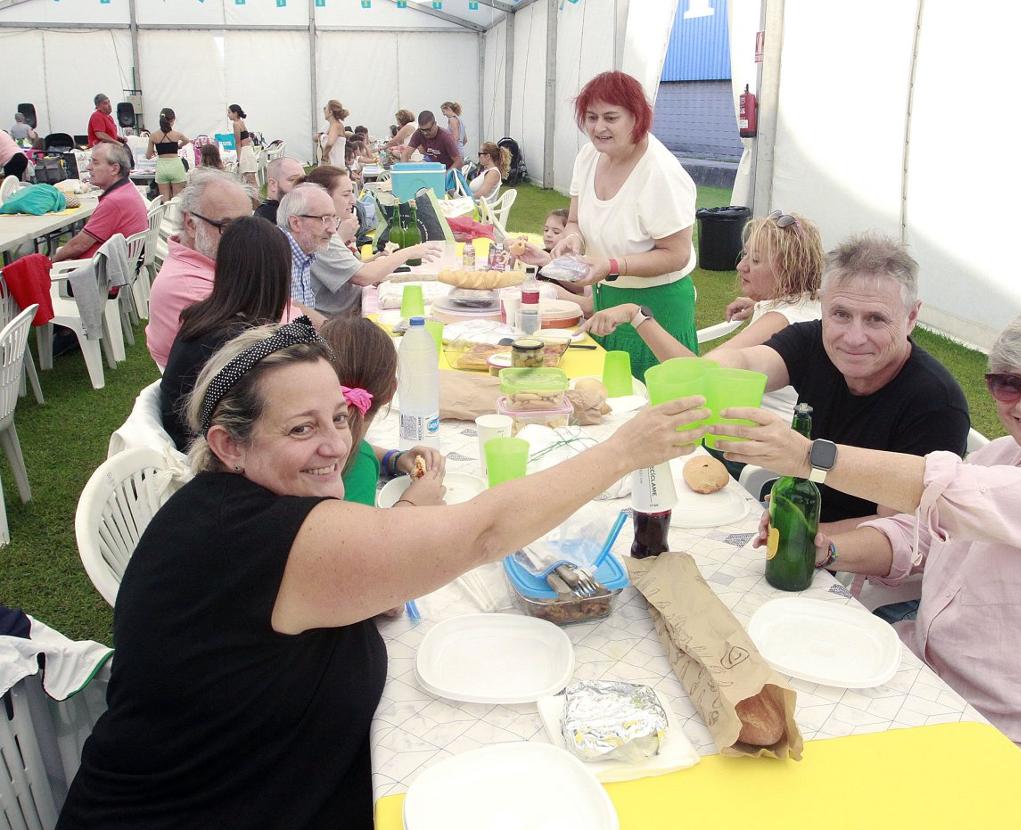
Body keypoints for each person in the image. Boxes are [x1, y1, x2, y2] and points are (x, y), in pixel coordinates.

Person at [56, 316, 708, 827]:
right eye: (302, 428)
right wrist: (622, 451)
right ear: (229, 444)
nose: (338, 445)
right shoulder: (262, 538)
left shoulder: (235, 507)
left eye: (340, 416)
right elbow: (483, 530)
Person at [735, 306, 1021, 816]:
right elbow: (920, 531)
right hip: (937, 690)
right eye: (1008, 384)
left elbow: (957, 496)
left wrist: (813, 456)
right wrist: (829, 548)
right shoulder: (1006, 456)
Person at [700, 232, 970, 529]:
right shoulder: (814, 341)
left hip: (851, 556)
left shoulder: (936, 404)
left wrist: (799, 534)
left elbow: (894, 528)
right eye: (841, 314)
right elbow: (746, 362)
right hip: (797, 506)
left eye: (876, 319)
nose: (854, 338)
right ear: (823, 304)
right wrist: (704, 375)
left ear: (912, 317)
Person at [585, 211, 823, 453]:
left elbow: (697, 376)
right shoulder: (807, 303)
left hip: (751, 448)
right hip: (759, 432)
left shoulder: (779, 320)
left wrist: (635, 315)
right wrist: (760, 304)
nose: (741, 266)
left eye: (756, 261)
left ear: (790, 269)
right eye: (745, 255)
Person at [522, 71, 697, 379]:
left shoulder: (660, 173)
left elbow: (677, 254)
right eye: (591, 117)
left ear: (636, 117)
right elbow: (574, 220)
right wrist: (572, 240)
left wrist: (613, 265)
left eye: (610, 118)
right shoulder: (589, 156)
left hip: (657, 303)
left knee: (654, 397)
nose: (599, 128)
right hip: (608, 297)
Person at [160, 217, 292, 450]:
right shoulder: (236, 342)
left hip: (196, 441)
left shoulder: (205, 316)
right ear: (276, 277)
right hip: (208, 456)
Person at [319, 316, 438, 505]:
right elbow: (361, 534)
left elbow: (361, 447)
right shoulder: (358, 467)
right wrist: (412, 503)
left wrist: (393, 459)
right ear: (392, 390)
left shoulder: (302, 437)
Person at [146, 169, 255, 368]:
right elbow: (258, 344)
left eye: (247, 226)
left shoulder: (214, 261)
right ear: (191, 224)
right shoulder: (188, 288)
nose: (245, 238)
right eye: (228, 227)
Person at [300, 166, 438, 317]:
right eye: (346, 195)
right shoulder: (320, 235)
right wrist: (410, 251)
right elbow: (364, 276)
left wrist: (377, 259)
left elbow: (353, 269)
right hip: (341, 320)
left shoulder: (329, 230)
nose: (353, 200)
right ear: (324, 197)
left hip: (348, 312)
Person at [51, 143, 147, 263]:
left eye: (95, 163)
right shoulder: (127, 190)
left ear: (114, 169)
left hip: (102, 273)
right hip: (121, 265)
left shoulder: (114, 201)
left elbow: (79, 245)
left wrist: (50, 262)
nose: (88, 167)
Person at [277, 182, 338, 324]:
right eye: (325, 219)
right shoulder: (275, 256)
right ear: (296, 223)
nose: (333, 229)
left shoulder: (304, 251)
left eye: (334, 219)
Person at [145, 107, 190, 201]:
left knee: (164, 198)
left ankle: (165, 215)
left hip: (162, 167)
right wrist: (178, 146)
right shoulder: (177, 134)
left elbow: (148, 156)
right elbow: (187, 140)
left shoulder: (153, 136)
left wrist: (154, 152)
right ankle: (175, 215)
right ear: (173, 119)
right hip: (176, 166)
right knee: (177, 198)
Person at [254, 157, 304, 225]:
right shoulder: (267, 219)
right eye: (293, 179)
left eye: (303, 180)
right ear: (273, 184)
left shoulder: (292, 209)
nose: (301, 185)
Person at [228, 104, 260, 192]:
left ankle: (256, 201)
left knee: (250, 181)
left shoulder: (236, 124)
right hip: (249, 150)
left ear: (235, 113)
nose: (228, 115)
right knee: (252, 180)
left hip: (245, 153)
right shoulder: (241, 122)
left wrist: (239, 158)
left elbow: (238, 143)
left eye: (229, 112)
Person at [320, 100, 348, 168]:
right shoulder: (333, 126)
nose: (324, 110)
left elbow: (330, 143)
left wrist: (324, 157)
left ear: (330, 112)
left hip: (334, 165)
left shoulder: (335, 126)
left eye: (326, 108)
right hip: (333, 164)